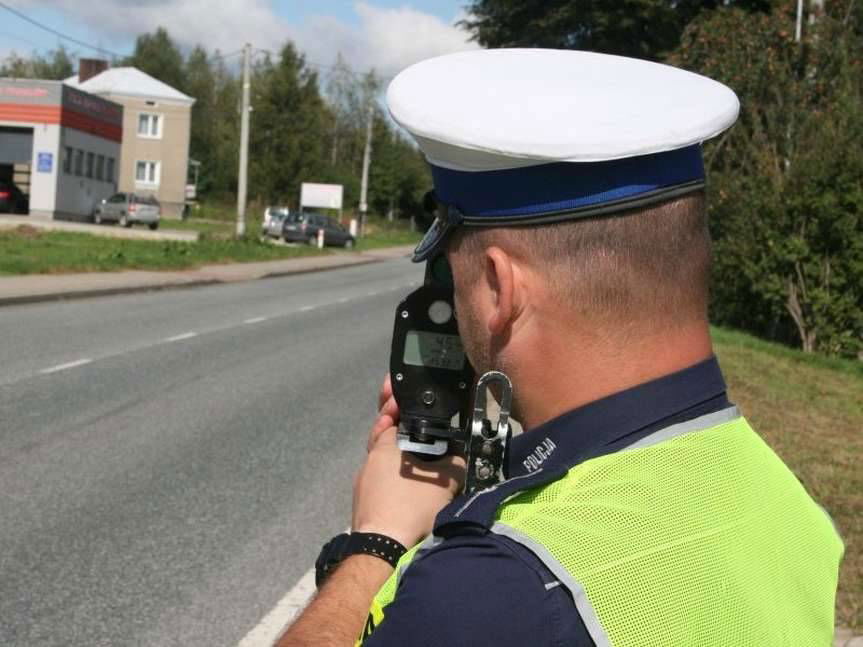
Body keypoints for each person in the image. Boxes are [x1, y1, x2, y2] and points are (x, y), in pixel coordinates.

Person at [278, 49, 843, 646]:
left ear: (499, 289)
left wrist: (376, 542)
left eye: (454, 274)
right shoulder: (789, 508)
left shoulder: (493, 589)